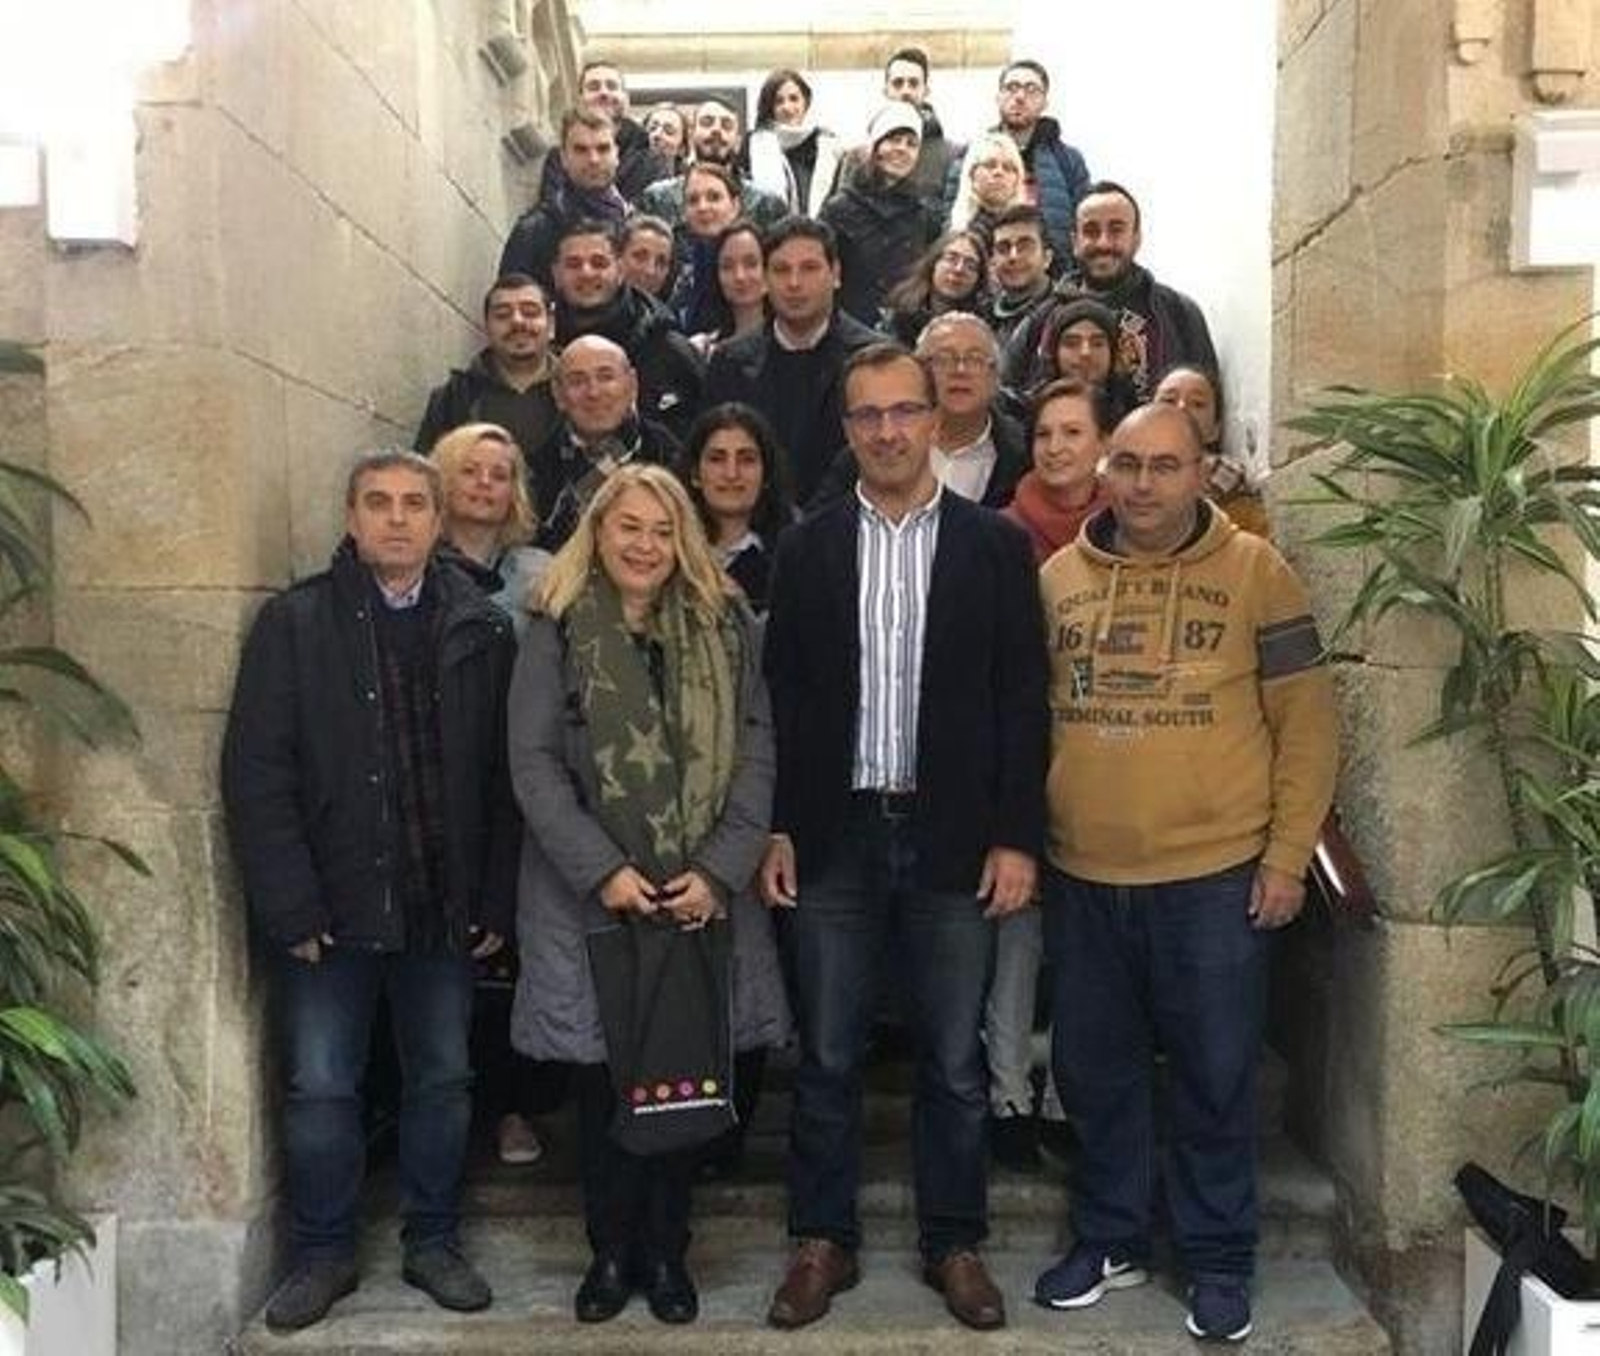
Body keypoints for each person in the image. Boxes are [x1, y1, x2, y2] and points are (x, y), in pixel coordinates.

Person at [1033, 402, 1337, 1343]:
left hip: (1215, 878)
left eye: (1165, 466)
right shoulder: (1054, 580)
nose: (1143, 485)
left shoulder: (1258, 573)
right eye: (1126, 464)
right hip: (1085, 877)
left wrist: (1288, 857)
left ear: (1203, 471)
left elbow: (1310, 725)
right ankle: (1113, 1236)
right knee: (1095, 1072)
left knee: (1214, 1075)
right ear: (1101, 472)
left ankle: (1216, 1258)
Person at [760, 343, 1048, 1333]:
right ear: (845, 430)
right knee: (830, 1053)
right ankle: (822, 1240)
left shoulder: (996, 546)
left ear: (936, 419)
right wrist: (781, 829)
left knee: (954, 1059)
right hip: (834, 833)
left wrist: (1017, 839)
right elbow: (783, 702)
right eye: (866, 415)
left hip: (955, 839)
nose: (886, 431)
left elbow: (1023, 702)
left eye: (902, 412)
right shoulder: (806, 548)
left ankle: (953, 1241)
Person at [222, 450, 518, 1333]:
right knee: (321, 1087)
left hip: (441, 904)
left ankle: (433, 1240)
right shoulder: (296, 624)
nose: (397, 519)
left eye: (414, 504)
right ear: (350, 519)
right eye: (378, 504)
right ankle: (322, 1252)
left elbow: (506, 784)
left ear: (438, 519)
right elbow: (256, 773)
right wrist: (291, 906)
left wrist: (494, 903)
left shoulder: (481, 627)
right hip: (331, 914)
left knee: (442, 1078)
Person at [508, 464, 789, 1325]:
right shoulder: (554, 626)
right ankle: (610, 1253)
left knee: (686, 1080)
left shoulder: (726, 622)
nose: (645, 545)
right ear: (599, 530)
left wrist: (717, 869)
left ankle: (667, 1253)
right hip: (591, 897)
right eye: (628, 526)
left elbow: (756, 752)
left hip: (699, 894)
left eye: (663, 531)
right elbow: (535, 765)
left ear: (685, 540)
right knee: (605, 1093)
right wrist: (606, 871)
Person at [704, 217, 880, 506]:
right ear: (765, 278)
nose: (794, 283)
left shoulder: (873, 361)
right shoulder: (729, 362)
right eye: (781, 270)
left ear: (835, 274)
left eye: (809, 269)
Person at [809, 312, 1026, 511]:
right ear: (918, 373)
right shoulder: (878, 442)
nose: (960, 371)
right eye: (943, 359)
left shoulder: (1022, 455)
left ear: (995, 376)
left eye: (975, 359)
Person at [1053, 180, 1219, 400]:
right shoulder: (1043, 318)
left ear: (1136, 239)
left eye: (1116, 230)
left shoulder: (1179, 313)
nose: (1103, 242)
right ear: (1074, 242)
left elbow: (1205, 405)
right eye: (1091, 231)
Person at [548, 219, 704, 441]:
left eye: (599, 263)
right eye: (573, 264)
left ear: (620, 269)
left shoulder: (669, 348)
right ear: (556, 274)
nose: (587, 273)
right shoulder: (539, 350)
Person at [528, 336, 681, 552]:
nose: (594, 392)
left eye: (606, 377)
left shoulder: (675, 462)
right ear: (558, 394)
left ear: (632, 385)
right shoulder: (532, 474)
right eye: (577, 381)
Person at [820, 103, 942, 327]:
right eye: (894, 140)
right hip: (850, 329)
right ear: (876, 145)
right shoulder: (838, 210)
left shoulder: (924, 214)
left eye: (911, 144)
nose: (902, 149)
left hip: (904, 332)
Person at [415, 274, 559, 462]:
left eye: (530, 312)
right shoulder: (453, 398)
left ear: (552, 326)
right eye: (502, 315)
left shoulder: (581, 390)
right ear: (487, 328)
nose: (517, 321)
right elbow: (424, 477)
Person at [953, 61, 1089, 257]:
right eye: (1011, 88)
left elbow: (1083, 227)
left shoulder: (1067, 160)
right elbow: (950, 218)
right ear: (998, 97)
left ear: (1044, 103)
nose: (1019, 97)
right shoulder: (972, 153)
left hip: (1053, 278)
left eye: (1031, 89)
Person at [429, 422, 550, 635]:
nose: (485, 482)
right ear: (441, 481)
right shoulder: (413, 567)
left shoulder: (540, 571)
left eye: (499, 475)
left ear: (514, 493)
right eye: (469, 471)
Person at [677, 401, 793, 614]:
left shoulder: (795, 557)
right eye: (717, 459)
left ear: (766, 474)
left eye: (747, 460)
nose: (731, 473)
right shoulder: (669, 552)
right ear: (695, 473)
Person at [501, 108, 630, 287]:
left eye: (603, 149)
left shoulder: (635, 227)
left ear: (617, 154)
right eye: (581, 149)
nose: (593, 159)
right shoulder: (533, 232)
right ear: (563, 157)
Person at [1004, 378, 1113, 566]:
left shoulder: (1127, 524)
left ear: (1104, 443)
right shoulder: (1000, 532)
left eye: (1072, 432)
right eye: (1043, 434)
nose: (1054, 448)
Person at [639, 99, 789, 231]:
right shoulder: (657, 199)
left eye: (726, 125)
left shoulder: (766, 204)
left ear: (737, 141)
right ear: (691, 134)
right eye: (707, 122)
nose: (717, 130)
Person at [1154, 364, 1269, 537]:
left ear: (1215, 430)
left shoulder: (1239, 503)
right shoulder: (1111, 484)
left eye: (1198, 404)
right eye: (1168, 400)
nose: (1181, 407)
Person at [537, 62, 672, 206]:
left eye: (612, 86)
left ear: (626, 99)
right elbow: (553, 211)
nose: (604, 93)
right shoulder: (558, 158)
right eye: (593, 87)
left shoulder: (653, 161)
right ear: (580, 99)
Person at [1007, 295, 1139, 424]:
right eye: (1071, 343)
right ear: (1055, 353)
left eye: (1097, 343)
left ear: (1113, 352)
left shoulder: (1135, 417)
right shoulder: (1026, 413)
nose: (1085, 353)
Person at [742, 68, 844, 216]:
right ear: (770, 107)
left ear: (806, 102)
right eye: (779, 101)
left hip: (823, 232)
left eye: (794, 99)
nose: (787, 107)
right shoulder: (753, 144)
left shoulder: (829, 145)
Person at [877, 47, 964, 216]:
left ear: (926, 91)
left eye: (914, 83)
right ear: (886, 91)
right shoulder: (861, 154)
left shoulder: (952, 155)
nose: (906, 91)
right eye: (898, 83)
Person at [666, 162, 745, 335]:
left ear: (735, 205)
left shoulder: (756, 260)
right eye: (693, 200)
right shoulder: (681, 266)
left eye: (714, 197)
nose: (702, 207)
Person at [880, 229, 988, 347]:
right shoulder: (899, 315)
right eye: (951, 259)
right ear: (933, 263)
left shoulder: (983, 326)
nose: (959, 269)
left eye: (970, 265)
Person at [687, 219, 768, 358]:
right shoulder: (700, 350)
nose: (739, 276)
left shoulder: (794, 341)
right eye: (727, 266)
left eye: (751, 264)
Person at [985, 205, 1056, 348]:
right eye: (1003, 248)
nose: (1013, 256)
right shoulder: (984, 317)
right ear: (992, 262)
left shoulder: (1066, 314)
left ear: (1047, 258)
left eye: (1024, 247)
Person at [946, 130, 1027, 244]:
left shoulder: (1028, 233)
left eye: (1008, 168)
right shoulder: (951, 231)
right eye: (990, 165)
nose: (998, 172)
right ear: (972, 173)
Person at [619, 216, 677, 301]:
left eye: (661, 263)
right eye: (640, 258)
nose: (650, 271)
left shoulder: (663, 314)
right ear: (618, 256)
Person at [643, 102, 689, 176]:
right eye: (652, 128)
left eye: (668, 131)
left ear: (682, 148)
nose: (657, 134)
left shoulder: (689, 183)